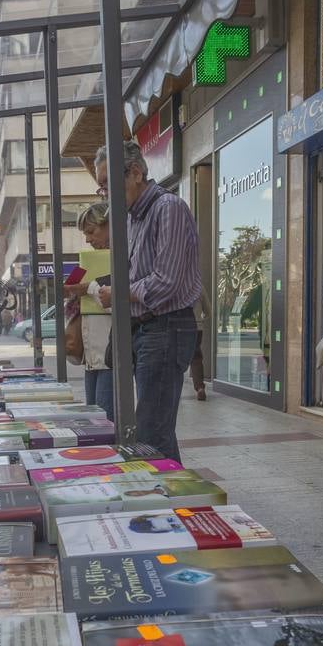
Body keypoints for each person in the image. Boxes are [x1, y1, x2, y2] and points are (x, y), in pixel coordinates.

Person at [87, 141, 202, 462]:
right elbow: (132, 275)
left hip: (166, 327)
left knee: (151, 431)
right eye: (101, 189)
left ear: (136, 172)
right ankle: (176, 503)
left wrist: (119, 294)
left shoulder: (168, 208)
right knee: (156, 428)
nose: (106, 195)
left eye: (109, 184)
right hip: (143, 328)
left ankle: (166, 506)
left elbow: (167, 282)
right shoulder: (131, 218)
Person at [70, 202, 116, 420]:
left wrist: (88, 288)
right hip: (90, 354)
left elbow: (125, 303)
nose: (88, 239)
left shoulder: (125, 257)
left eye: (91, 231)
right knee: (95, 417)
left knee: (105, 418)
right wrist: (70, 291)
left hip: (110, 353)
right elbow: (68, 292)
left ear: (109, 226)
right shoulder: (85, 263)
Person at [189, 295, 209, 401]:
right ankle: (200, 388)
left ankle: (172, 391)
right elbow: (208, 311)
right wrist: (201, 321)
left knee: (174, 359)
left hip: (179, 327)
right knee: (196, 358)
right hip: (197, 328)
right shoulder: (199, 287)